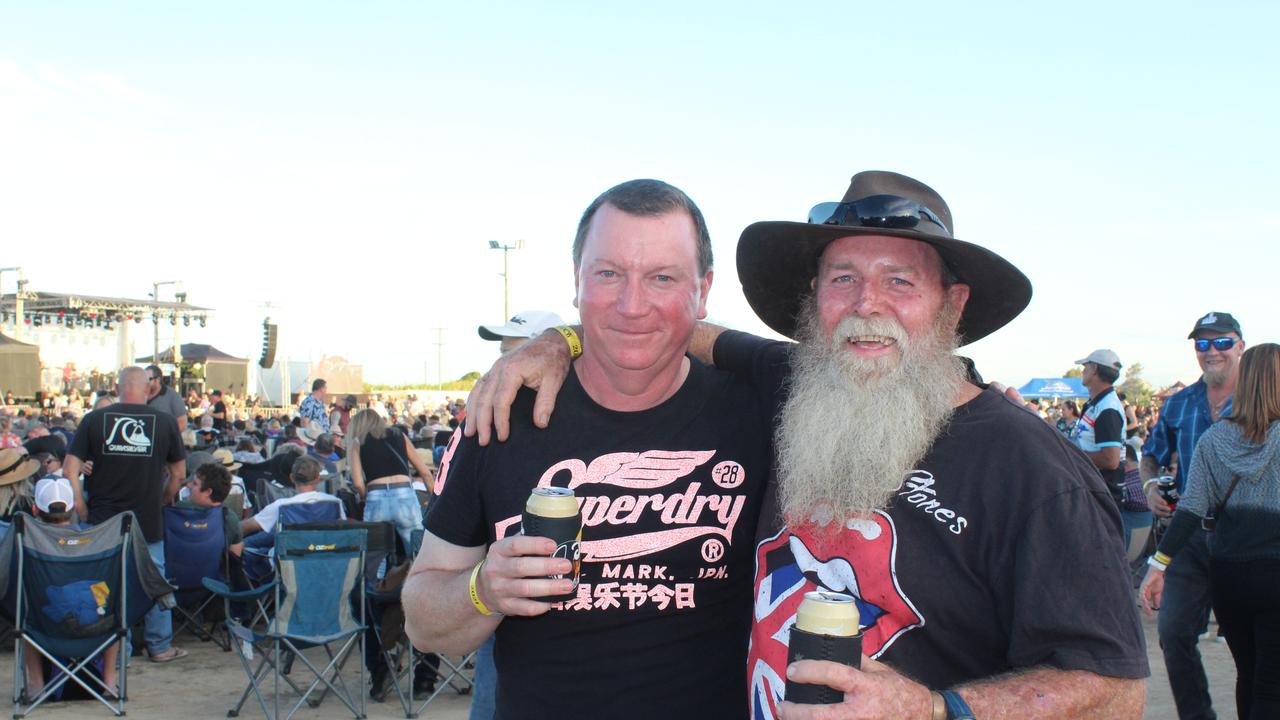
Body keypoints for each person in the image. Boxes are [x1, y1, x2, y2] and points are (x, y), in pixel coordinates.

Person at [468, 171, 1147, 719]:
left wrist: (935, 710)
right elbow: (672, 325)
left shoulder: (1031, 469)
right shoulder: (801, 380)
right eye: (843, 278)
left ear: (952, 302)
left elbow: (1117, 692)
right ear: (815, 297)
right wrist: (563, 339)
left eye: (900, 280)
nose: (865, 303)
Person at [403, 179, 771, 719]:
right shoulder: (503, 416)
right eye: (608, 273)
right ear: (576, 282)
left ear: (704, 288)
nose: (631, 304)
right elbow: (422, 623)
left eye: (662, 277)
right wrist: (483, 590)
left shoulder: (756, 416)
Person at [1141, 343, 1280, 719]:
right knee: (1271, 683)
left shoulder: (1215, 439)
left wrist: (1159, 564)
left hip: (1229, 574)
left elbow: (1190, 510)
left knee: (1248, 673)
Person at [465, 307, 567, 720]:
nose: (503, 365)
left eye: (516, 351)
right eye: (502, 353)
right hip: (501, 614)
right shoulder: (491, 417)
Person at [1143, 311, 1245, 720]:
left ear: (1241, 346)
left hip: (1243, 539)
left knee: (1247, 642)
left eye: (1222, 342)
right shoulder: (1180, 404)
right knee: (1173, 634)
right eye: (1202, 344)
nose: (1212, 351)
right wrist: (1151, 486)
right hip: (1187, 536)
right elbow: (1151, 454)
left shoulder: (1262, 402)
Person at [64, 366, 188, 663]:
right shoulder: (165, 421)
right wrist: (163, 499)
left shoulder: (94, 419)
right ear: (148, 389)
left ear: (117, 388)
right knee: (154, 581)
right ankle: (159, 647)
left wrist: (82, 508)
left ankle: (117, 652)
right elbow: (179, 475)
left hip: (102, 521)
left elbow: (69, 470)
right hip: (147, 519)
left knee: (104, 584)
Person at [22, 476, 121, 700]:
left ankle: (36, 684)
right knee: (112, 603)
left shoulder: (26, 543)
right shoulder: (96, 539)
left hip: (46, 629)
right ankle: (109, 682)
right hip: (96, 629)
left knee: (26, 611)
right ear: (74, 507)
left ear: (35, 509)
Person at [1070, 349, 1129, 515]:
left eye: (1085, 366)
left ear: (1095, 368)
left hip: (1102, 496)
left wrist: (1071, 455)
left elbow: (1111, 460)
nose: (1083, 370)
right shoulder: (1096, 404)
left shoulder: (1107, 408)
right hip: (1093, 490)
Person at [239, 455, 345, 537]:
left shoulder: (281, 505)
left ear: (292, 478)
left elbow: (244, 527)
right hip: (326, 557)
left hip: (289, 562)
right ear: (318, 479)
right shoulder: (335, 502)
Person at [176, 461, 244, 557]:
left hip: (178, 570)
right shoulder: (230, 519)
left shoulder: (178, 510)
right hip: (213, 571)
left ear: (208, 492)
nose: (188, 485)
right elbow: (235, 559)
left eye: (195, 483)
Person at [146, 364, 188, 432]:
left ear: (158, 380)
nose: (146, 382)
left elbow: (182, 423)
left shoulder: (173, 396)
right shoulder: (140, 394)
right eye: (144, 379)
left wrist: (166, 435)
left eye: (149, 379)